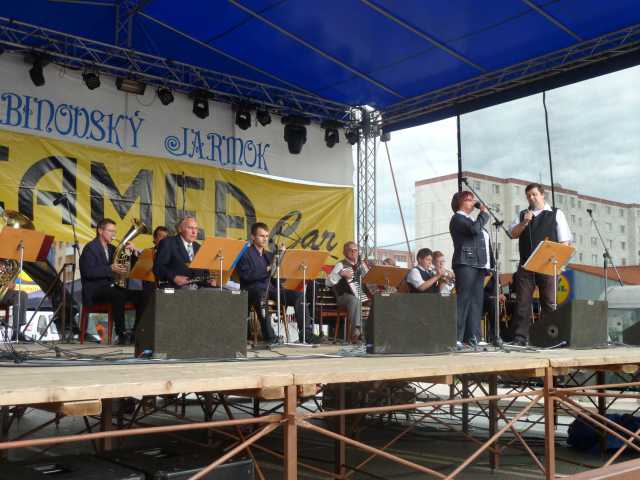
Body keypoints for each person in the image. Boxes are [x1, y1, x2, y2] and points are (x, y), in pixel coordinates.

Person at [509, 183, 571, 346]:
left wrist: (560, 265)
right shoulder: (523, 214)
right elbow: (512, 233)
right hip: (526, 265)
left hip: (548, 264)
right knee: (522, 302)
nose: (531, 198)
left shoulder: (556, 213)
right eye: (528, 196)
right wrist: (524, 223)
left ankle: (549, 338)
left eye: (534, 194)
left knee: (549, 303)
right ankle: (520, 338)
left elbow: (564, 241)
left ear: (543, 195)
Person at [235, 222, 317, 344]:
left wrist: (283, 259)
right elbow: (246, 276)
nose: (265, 239)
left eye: (266, 236)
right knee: (261, 294)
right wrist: (267, 269)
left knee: (299, 295)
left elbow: (278, 276)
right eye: (261, 236)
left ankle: (306, 334)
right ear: (253, 237)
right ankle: (270, 337)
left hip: (272, 289)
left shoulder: (269, 255)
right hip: (253, 290)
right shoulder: (244, 253)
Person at [79, 218, 143, 344]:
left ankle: (135, 333)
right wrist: (110, 269)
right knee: (117, 294)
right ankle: (121, 334)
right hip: (95, 290)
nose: (113, 234)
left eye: (115, 232)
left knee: (142, 296)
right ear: (100, 231)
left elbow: (130, 266)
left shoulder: (112, 248)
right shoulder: (90, 248)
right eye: (110, 231)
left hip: (111, 288)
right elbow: (88, 272)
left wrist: (133, 252)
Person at [449, 191, 493, 347]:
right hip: (465, 263)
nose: (473, 202)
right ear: (460, 203)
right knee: (464, 300)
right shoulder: (458, 218)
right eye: (469, 200)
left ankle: (473, 337)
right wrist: (484, 214)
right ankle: (456, 337)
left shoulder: (471, 220)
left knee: (476, 301)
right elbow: (474, 230)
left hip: (478, 265)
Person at [153, 217, 216, 289]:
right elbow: (158, 267)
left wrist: (209, 279)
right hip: (174, 289)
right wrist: (174, 277)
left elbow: (205, 272)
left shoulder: (199, 248)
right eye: (190, 228)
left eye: (196, 228)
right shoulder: (168, 243)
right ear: (180, 229)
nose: (194, 232)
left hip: (197, 290)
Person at [326, 241, 369, 343]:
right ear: (344, 252)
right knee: (355, 300)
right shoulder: (341, 265)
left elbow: (369, 279)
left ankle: (372, 333)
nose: (353, 252)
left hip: (362, 296)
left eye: (355, 250)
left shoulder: (362, 265)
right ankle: (356, 332)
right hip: (344, 297)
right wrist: (340, 274)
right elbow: (328, 282)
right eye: (350, 250)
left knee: (378, 301)